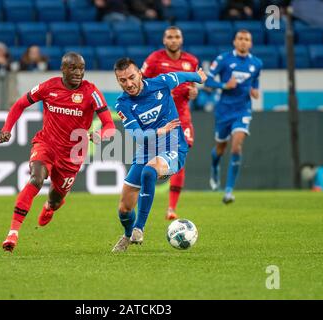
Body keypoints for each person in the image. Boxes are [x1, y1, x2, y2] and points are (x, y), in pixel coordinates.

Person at [0, 52, 116, 252]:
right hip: (46, 145)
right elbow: (19, 105)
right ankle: (13, 233)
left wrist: (100, 135)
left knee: (55, 200)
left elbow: (110, 125)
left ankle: (50, 207)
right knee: (36, 179)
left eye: (81, 68)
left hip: (72, 156)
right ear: (63, 69)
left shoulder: (91, 92)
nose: (78, 72)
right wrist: (6, 129)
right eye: (73, 68)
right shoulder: (48, 87)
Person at [111, 57, 207, 252]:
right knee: (124, 209)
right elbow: (138, 135)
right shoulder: (123, 105)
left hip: (173, 148)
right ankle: (128, 234)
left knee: (149, 172)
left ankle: (139, 227)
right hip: (145, 151)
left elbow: (180, 76)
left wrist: (198, 77)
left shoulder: (160, 83)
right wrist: (159, 131)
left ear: (139, 72)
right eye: (123, 80)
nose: (129, 84)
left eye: (131, 77)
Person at [141, 26, 199, 221]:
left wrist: (193, 92)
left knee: (180, 159)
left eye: (176, 37)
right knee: (154, 163)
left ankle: (171, 208)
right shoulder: (154, 60)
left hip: (182, 117)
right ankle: (157, 175)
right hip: (161, 117)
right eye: (170, 37)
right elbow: (142, 85)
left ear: (181, 40)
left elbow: (192, 87)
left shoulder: (191, 61)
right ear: (164, 40)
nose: (173, 40)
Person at [205, 30, 263, 204]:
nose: (243, 42)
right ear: (234, 42)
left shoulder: (257, 63)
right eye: (240, 39)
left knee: (236, 147)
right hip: (223, 111)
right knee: (220, 149)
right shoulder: (224, 60)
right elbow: (207, 81)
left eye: (247, 39)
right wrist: (224, 85)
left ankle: (229, 191)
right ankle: (215, 167)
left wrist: (255, 91)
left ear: (250, 44)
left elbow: (256, 82)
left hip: (243, 110)